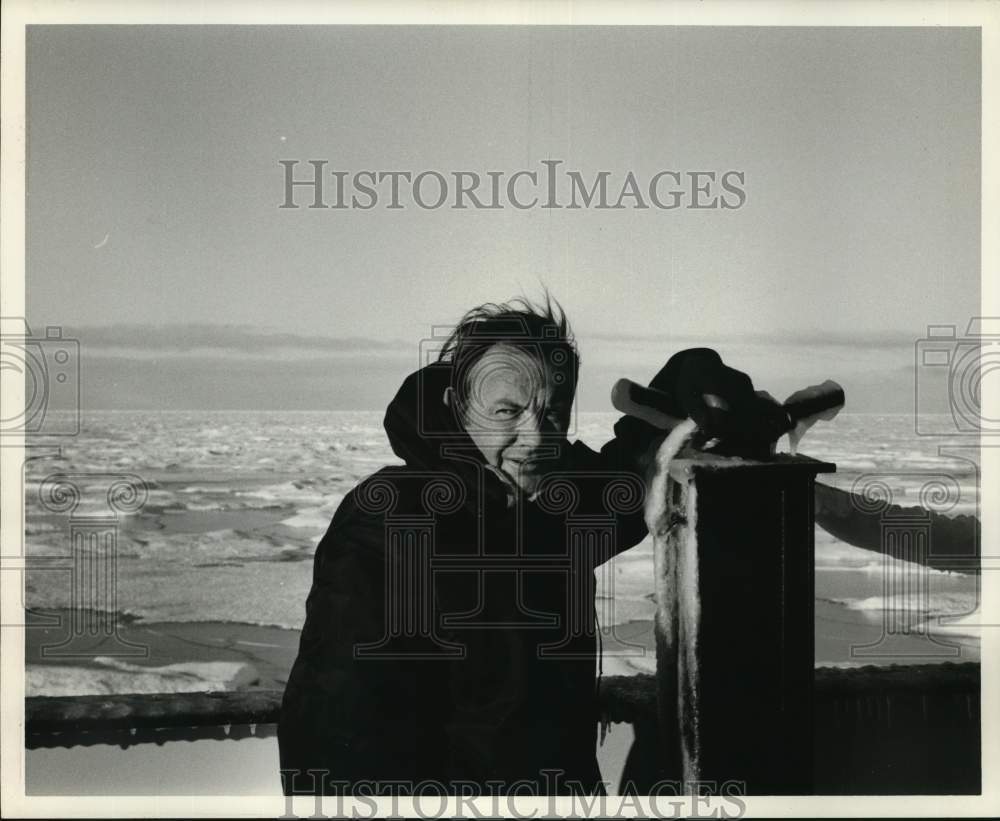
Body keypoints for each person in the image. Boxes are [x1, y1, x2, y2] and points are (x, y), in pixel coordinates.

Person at [278, 296, 665, 797]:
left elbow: (624, 482)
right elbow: (335, 743)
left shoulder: (549, 504)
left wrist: (681, 380)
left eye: (553, 414)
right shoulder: (390, 525)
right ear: (456, 408)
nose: (536, 440)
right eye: (508, 411)